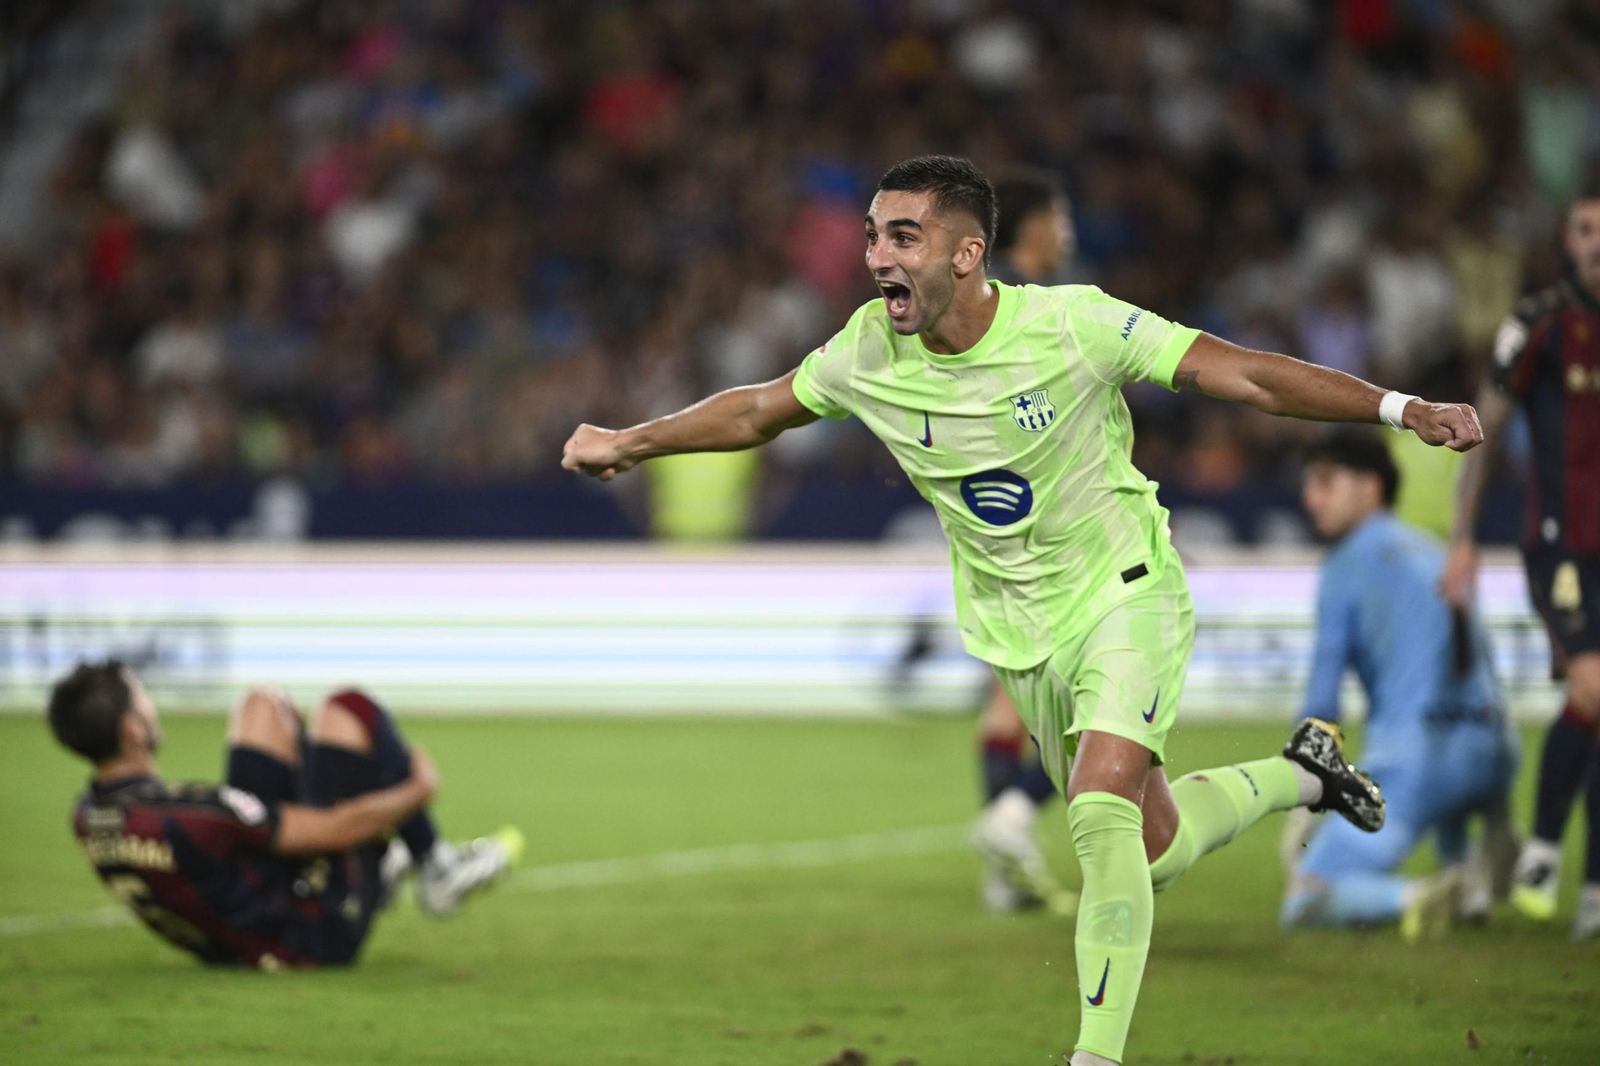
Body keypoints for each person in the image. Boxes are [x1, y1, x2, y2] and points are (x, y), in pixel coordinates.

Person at [562, 155, 1481, 1066]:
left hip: (1126, 591)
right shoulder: (867, 351)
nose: (878, 256)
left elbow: (1245, 376)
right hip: (1021, 636)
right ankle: (1302, 776)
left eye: (904, 236)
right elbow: (759, 411)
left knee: (1098, 814)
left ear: (967, 255)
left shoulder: (1075, 324)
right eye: (874, 235)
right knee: (1151, 848)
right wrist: (632, 442)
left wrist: (1399, 408)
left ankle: (1094, 1058)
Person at [48, 660, 522, 968]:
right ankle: (432, 864)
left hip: (236, 934)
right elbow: (336, 829)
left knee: (263, 704)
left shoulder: (87, 815)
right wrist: (417, 791)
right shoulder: (196, 815)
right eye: (144, 698)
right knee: (349, 709)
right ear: (133, 729)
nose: (153, 707)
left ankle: (393, 862)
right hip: (314, 931)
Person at [1281, 431, 1519, 939]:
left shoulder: (1345, 563)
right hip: (1494, 748)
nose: (1310, 498)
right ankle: (1469, 863)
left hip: (1420, 762)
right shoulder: (1438, 551)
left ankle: (1419, 897)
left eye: (1325, 482)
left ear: (1370, 488)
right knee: (1455, 787)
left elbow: (1323, 697)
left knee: (1306, 896)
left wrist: (1306, 792)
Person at [1442, 183, 1600, 941]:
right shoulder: (1539, 323)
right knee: (1594, 688)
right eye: (1586, 230)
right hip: (1561, 543)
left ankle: (1592, 886)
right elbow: (1488, 426)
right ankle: (1542, 841)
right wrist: (1462, 537)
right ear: (1568, 241)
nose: (1597, 244)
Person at [971, 166, 1076, 912]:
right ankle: (1012, 815)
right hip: (1054, 531)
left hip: (990, 525)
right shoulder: (1036, 309)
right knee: (1103, 703)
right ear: (1035, 227)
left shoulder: (967, 303)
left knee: (1007, 702)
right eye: (1061, 217)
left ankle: (1002, 872)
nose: (1069, 232)